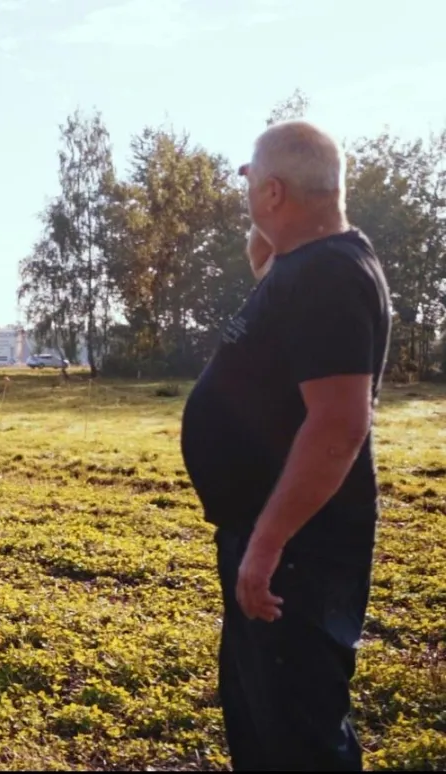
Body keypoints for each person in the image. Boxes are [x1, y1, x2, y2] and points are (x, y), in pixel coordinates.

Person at [180, 119, 392, 770]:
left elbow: (338, 425)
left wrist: (267, 545)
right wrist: (267, 209)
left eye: (253, 179)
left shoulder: (327, 277)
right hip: (273, 536)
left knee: (298, 738)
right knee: (263, 723)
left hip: (297, 549)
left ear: (274, 192)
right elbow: (271, 256)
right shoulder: (303, 263)